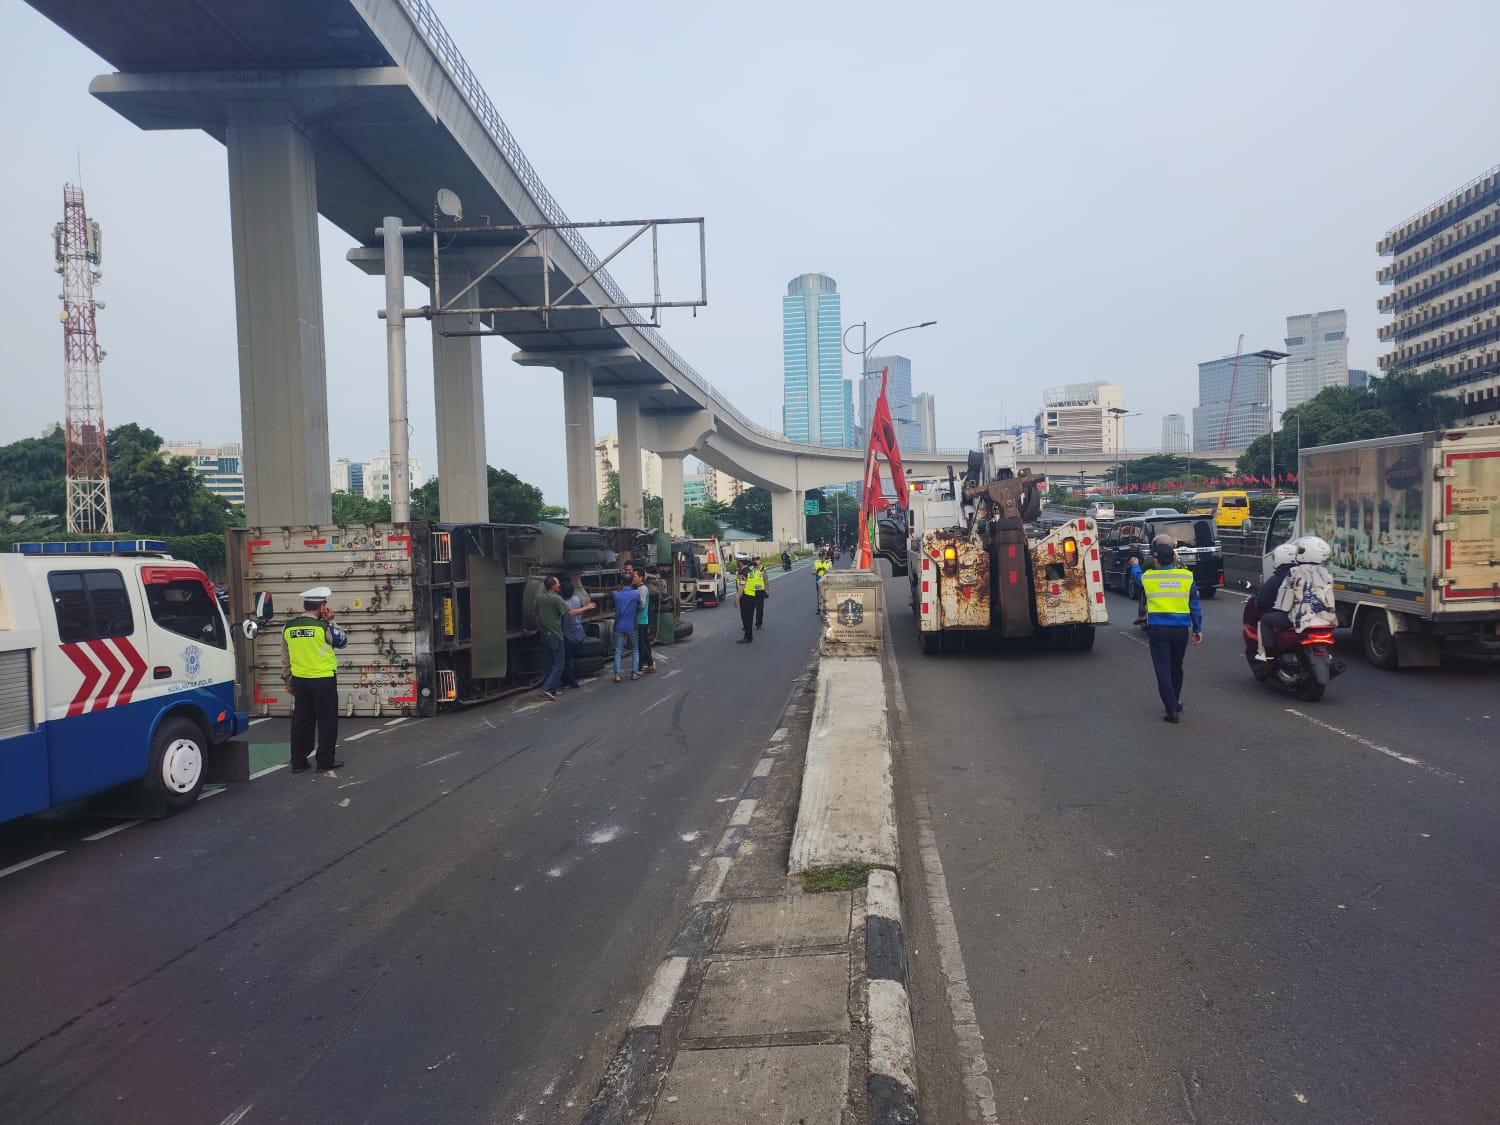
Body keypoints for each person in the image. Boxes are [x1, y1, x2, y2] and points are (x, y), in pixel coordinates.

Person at [1131, 539, 1202, 723]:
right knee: (1176, 666)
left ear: (1156, 560)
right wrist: (1198, 628)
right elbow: (1194, 605)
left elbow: (1137, 579)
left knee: (1163, 669)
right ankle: (1175, 700)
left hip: (1158, 630)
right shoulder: (1187, 577)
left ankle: (1171, 709)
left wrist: (1135, 565)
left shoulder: (1149, 577)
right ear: (1173, 559)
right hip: (1180, 630)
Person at [280, 585, 349, 773]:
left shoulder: (289, 626)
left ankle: (298, 762)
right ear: (321, 608)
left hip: (300, 681)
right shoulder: (323, 626)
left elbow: (285, 657)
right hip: (323, 679)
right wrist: (332, 622)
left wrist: (288, 680)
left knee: (301, 720)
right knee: (327, 721)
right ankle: (325, 762)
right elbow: (342, 641)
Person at [530, 576, 587, 701]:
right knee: (559, 664)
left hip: (544, 634)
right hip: (556, 634)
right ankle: (547, 689)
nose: (559, 585)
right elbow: (571, 613)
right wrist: (587, 607)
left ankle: (552, 690)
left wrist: (539, 627)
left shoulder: (540, 598)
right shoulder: (557, 599)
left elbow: (535, 613)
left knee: (549, 663)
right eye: (557, 583)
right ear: (553, 586)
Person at [1253, 541, 1299, 660]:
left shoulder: (1277, 579)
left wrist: (1256, 602)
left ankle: (1266, 654)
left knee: (1264, 620)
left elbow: (1263, 603)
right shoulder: (1314, 575)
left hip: (1295, 617)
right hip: (1318, 618)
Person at [559, 578, 589, 689]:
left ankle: (571, 682)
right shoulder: (577, 598)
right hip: (579, 632)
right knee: (568, 659)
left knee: (563, 661)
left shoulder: (562, 603)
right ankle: (567, 682)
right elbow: (582, 610)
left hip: (568, 635)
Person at [612, 575, 642, 679]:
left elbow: (614, 605)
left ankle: (617, 675)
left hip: (619, 626)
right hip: (631, 626)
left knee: (618, 650)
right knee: (635, 649)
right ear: (632, 581)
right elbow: (640, 605)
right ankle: (634, 673)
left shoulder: (616, 595)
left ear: (621, 582)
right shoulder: (636, 593)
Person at [630, 568, 657, 673]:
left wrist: (630, 604)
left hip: (641, 620)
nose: (633, 578)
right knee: (643, 642)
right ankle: (650, 664)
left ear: (641, 578)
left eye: (634, 576)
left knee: (641, 644)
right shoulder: (637, 588)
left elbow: (641, 606)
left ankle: (641, 667)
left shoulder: (642, 589)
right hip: (641, 620)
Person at [736, 558, 764, 643]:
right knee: (750, 618)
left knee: (746, 619)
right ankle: (749, 636)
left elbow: (741, 587)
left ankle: (748, 637)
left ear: (740, 563)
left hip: (745, 598)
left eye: (737, 561)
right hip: (752, 596)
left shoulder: (743, 573)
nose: (737, 563)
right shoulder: (750, 571)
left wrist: (737, 599)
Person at [750, 557, 767, 629]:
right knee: (749, 609)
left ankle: (758, 623)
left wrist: (766, 590)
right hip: (750, 591)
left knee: (759, 609)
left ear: (759, 561)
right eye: (754, 560)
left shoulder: (763, 569)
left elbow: (765, 579)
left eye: (757, 560)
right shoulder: (749, 569)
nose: (755, 561)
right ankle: (748, 624)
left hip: (760, 592)